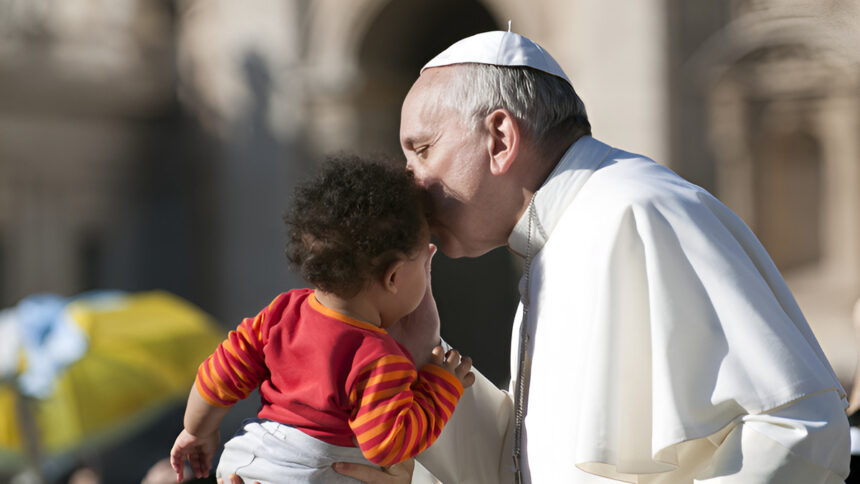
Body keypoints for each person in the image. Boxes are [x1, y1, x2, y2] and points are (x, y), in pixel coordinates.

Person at [337, 30, 851, 483]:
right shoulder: (550, 243)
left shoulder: (638, 209)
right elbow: (529, 467)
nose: (410, 183)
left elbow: (797, 431)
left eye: (422, 150)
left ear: (499, 138)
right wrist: (420, 358)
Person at [169, 156, 474, 484]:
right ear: (395, 275)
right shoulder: (380, 358)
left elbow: (219, 374)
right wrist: (438, 387)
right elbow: (386, 446)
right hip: (311, 472)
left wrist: (196, 431)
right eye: (424, 261)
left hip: (246, 458)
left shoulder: (282, 312)